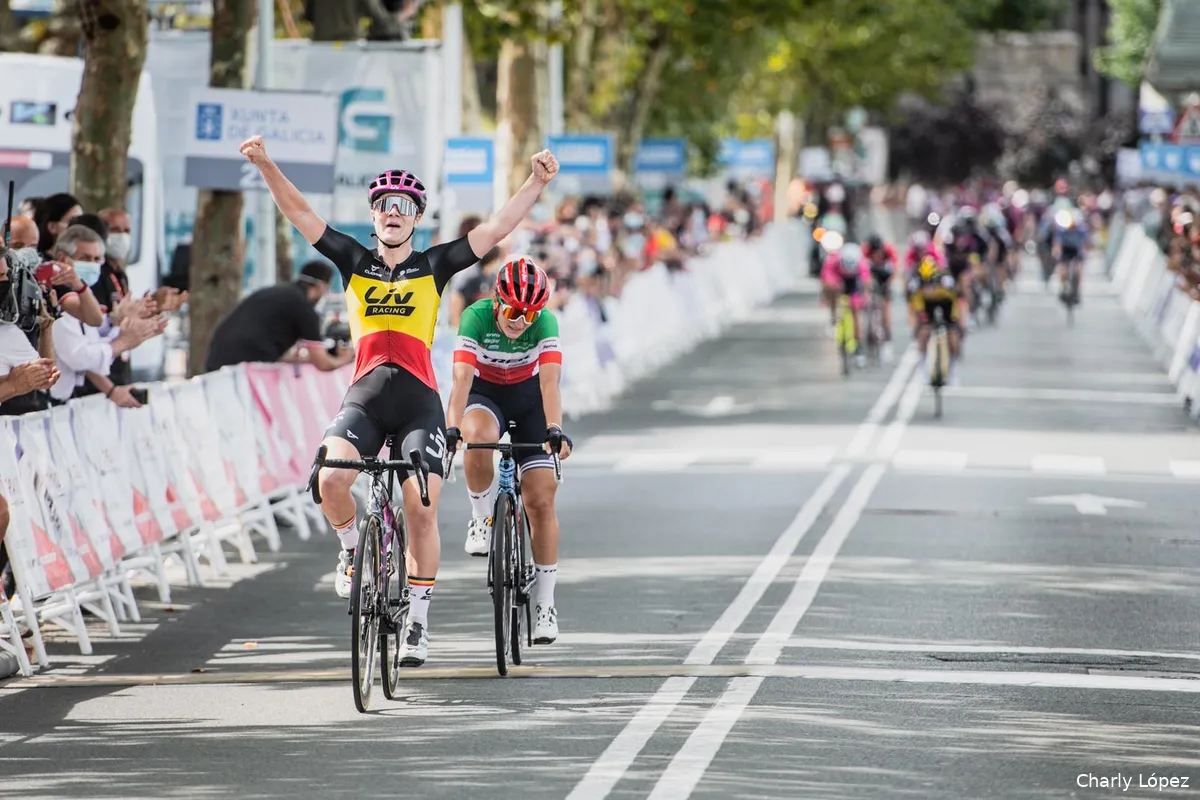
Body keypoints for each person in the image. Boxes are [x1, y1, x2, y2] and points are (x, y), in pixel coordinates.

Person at [240, 132, 560, 668]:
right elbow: (299, 212)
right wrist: (267, 164)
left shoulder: (435, 265)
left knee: (422, 509)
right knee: (330, 479)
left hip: (418, 402)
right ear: (375, 215)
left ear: (416, 217)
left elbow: (498, 228)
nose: (394, 213)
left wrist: (536, 181)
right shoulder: (352, 259)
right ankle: (349, 552)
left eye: (404, 206)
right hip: (365, 395)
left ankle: (416, 622)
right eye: (385, 206)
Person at [444, 256, 572, 644]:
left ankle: (545, 602)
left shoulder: (546, 324)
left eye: (531, 314)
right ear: (498, 302)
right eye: (515, 310)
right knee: (477, 435)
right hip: (486, 395)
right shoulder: (476, 317)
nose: (521, 321)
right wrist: (452, 427)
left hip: (529, 400)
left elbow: (550, 383)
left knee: (541, 497)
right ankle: (482, 518)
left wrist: (555, 429)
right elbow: (462, 379)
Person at [203, 261, 353, 373]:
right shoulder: (304, 309)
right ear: (321, 286)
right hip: (243, 368)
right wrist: (344, 360)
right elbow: (323, 364)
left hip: (216, 359)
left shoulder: (278, 292)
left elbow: (282, 354)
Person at [908, 253, 961, 385]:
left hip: (946, 304)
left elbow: (956, 300)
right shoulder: (915, 282)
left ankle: (953, 371)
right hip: (927, 305)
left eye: (931, 282)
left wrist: (954, 321)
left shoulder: (946, 281)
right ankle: (922, 369)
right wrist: (918, 322)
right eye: (925, 283)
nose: (928, 288)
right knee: (924, 332)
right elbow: (914, 304)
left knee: (953, 339)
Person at [820, 242, 869, 366]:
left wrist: (862, 299)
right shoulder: (832, 261)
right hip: (838, 279)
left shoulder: (862, 264)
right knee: (830, 290)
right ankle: (833, 317)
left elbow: (866, 283)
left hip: (854, 283)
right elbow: (826, 278)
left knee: (855, 311)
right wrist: (832, 289)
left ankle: (859, 346)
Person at [861, 234, 897, 362]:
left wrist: (888, 286)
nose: (877, 255)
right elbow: (863, 273)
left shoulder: (889, 251)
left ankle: (887, 339)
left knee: (885, 309)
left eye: (879, 252)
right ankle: (867, 340)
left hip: (884, 277)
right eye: (874, 253)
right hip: (871, 276)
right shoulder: (864, 252)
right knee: (866, 300)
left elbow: (894, 272)